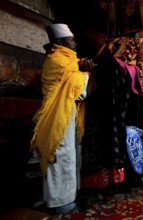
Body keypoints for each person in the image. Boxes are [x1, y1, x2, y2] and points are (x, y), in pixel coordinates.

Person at [30, 23, 94, 214]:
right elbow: (77, 89)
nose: (74, 43)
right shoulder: (57, 60)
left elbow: (72, 68)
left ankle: (66, 198)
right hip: (57, 117)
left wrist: (81, 64)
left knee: (69, 156)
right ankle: (61, 203)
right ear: (60, 42)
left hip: (66, 114)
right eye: (71, 40)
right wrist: (88, 74)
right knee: (61, 158)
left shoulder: (65, 60)